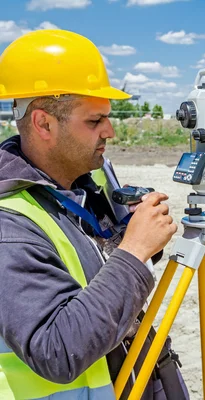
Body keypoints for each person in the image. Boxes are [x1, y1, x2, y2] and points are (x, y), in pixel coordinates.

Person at [0, 29, 189, 398]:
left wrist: (131, 234)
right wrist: (134, 253)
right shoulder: (9, 224)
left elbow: (92, 258)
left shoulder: (86, 178)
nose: (111, 131)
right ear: (43, 124)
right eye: (94, 121)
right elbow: (57, 349)